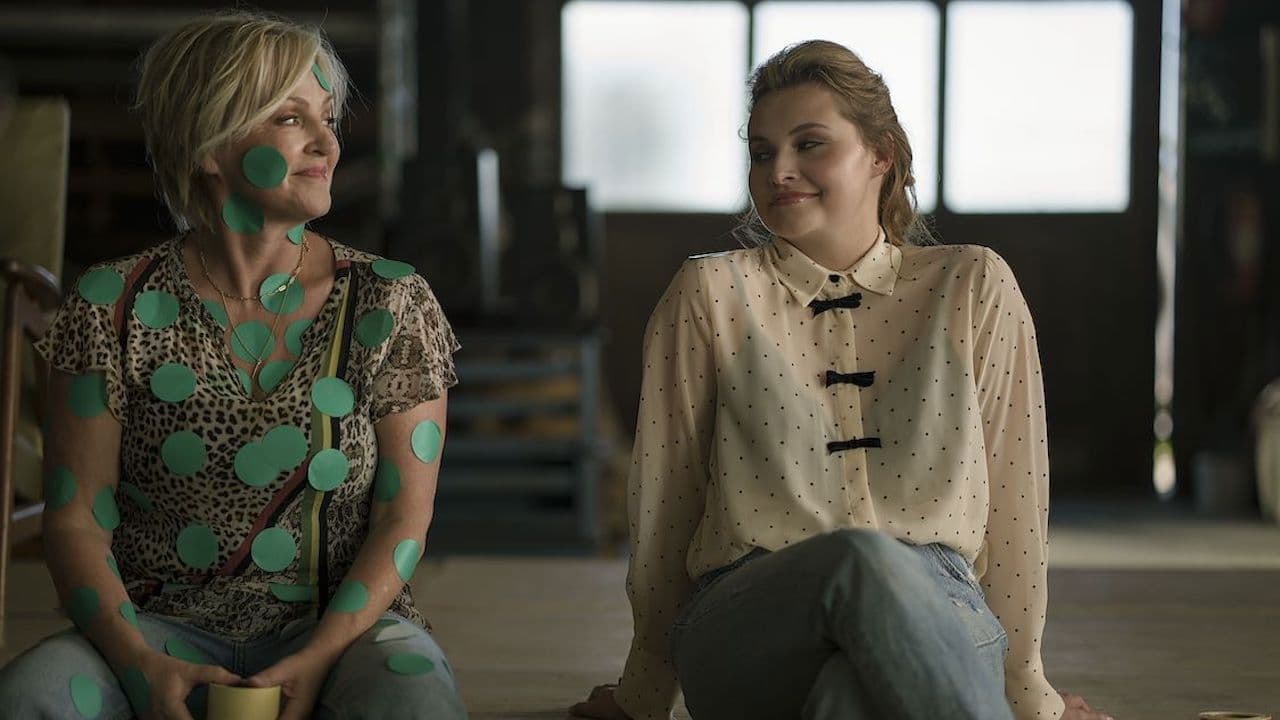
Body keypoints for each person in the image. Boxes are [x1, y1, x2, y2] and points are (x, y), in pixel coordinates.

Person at [571, 40, 1112, 720]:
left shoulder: (973, 285)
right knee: (857, 560)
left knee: (846, 696)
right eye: (762, 152)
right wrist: (645, 689)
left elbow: (1015, 503)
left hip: (944, 614)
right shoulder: (710, 293)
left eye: (809, 144)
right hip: (748, 618)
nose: (779, 170)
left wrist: (1027, 688)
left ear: (880, 154)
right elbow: (665, 503)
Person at [0, 10, 467, 720]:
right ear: (211, 145)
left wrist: (319, 656)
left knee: (415, 698)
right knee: (26, 697)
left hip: (342, 633)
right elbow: (75, 522)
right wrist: (139, 662)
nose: (327, 143)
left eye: (328, 117)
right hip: (150, 629)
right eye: (290, 118)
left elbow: (404, 517)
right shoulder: (109, 304)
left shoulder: (390, 300)